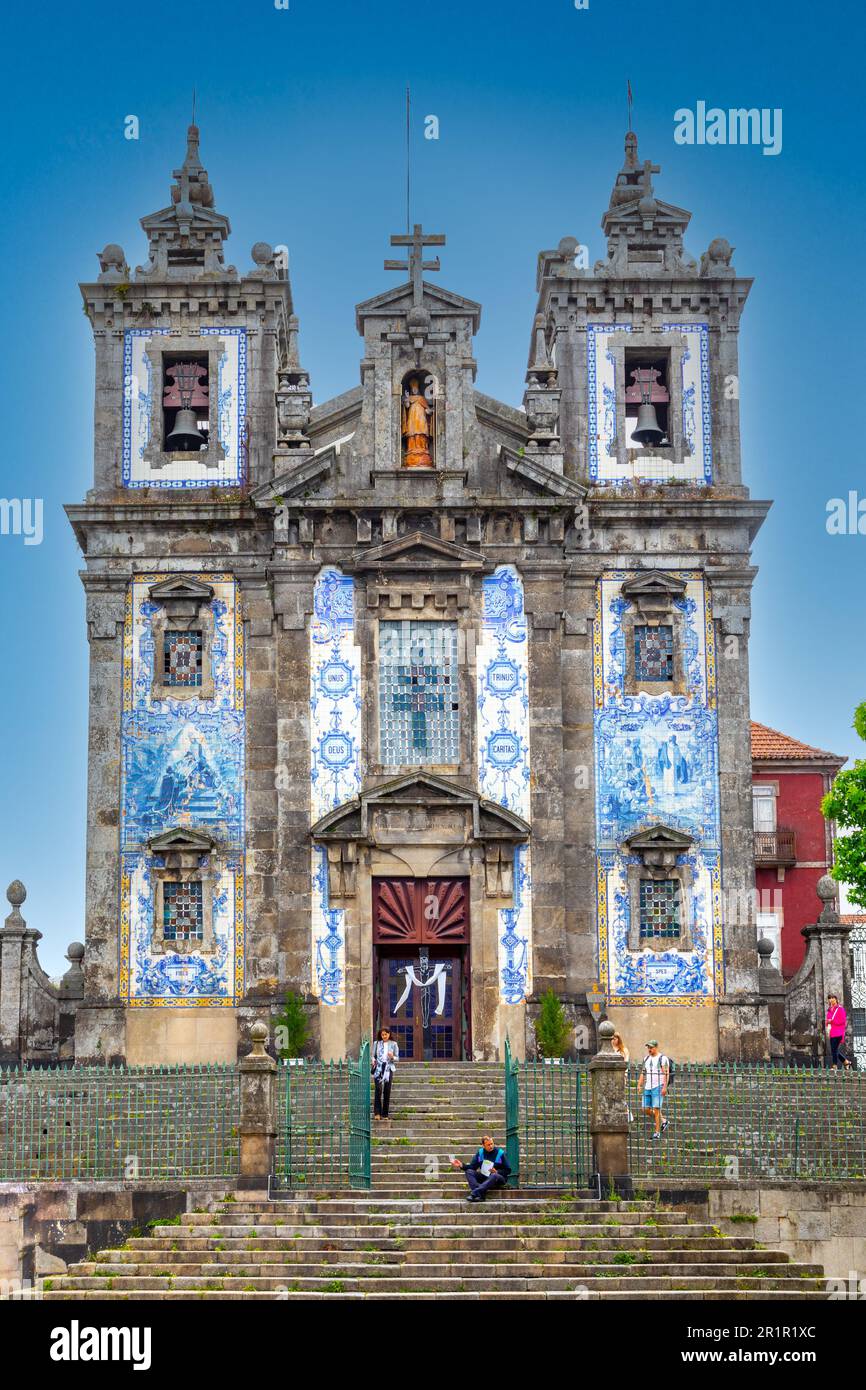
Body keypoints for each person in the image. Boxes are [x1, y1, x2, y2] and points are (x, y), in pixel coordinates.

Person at [450, 1136, 511, 1202]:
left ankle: (475, 1193)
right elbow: (472, 1167)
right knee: (469, 1171)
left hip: (498, 1179)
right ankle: (480, 1195)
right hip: (485, 1177)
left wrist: (497, 1171)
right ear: (483, 1145)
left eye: (492, 1144)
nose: (491, 1146)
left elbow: (508, 1170)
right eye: (488, 1145)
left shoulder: (500, 1153)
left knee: (494, 1175)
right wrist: (461, 1165)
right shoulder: (480, 1153)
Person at [640, 1040, 670, 1139]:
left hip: (658, 1086)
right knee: (645, 1109)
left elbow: (666, 1073)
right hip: (648, 1086)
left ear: (656, 1047)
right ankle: (663, 1120)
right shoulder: (646, 1058)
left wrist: (665, 1087)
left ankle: (657, 1132)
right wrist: (639, 1084)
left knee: (656, 1109)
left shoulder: (663, 1058)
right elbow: (643, 1072)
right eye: (648, 1047)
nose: (649, 1049)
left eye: (651, 1047)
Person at [372, 1027, 399, 1121]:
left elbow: (397, 1058)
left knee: (387, 1091)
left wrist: (392, 1057)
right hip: (378, 1068)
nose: (384, 1036)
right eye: (382, 1034)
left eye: (385, 1034)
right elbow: (373, 1056)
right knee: (378, 1090)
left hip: (389, 1068)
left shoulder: (394, 1044)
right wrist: (373, 1060)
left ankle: (385, 1114)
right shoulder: (376, 1043)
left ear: (389, 1034)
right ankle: (377, 1113)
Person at [611, 1032, 633, 1122]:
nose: (613, 1041)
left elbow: (625, 1063)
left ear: (618, 1039)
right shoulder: (609, 1050)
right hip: (611, 1076)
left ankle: (627, 1112)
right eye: (612, 1039)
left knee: (620, 1095)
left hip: (621, 1075)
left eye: (615, 1039)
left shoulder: (624, 1050)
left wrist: (624, 1075)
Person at [825, 995, 851, 1070]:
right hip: (832, 1032)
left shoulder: (840, 1009)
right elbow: (828, 1021)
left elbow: (843, 1021)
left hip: (839, 1032)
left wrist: (832, 1021)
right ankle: (846, 1062)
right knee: (834, 1050)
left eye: (832, 998)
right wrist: (828, 1022)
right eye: (829, 998)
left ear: (836, 999)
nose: (831, 1000)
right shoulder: (829, 1010)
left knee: (834, 1049)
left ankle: (835, 1065)